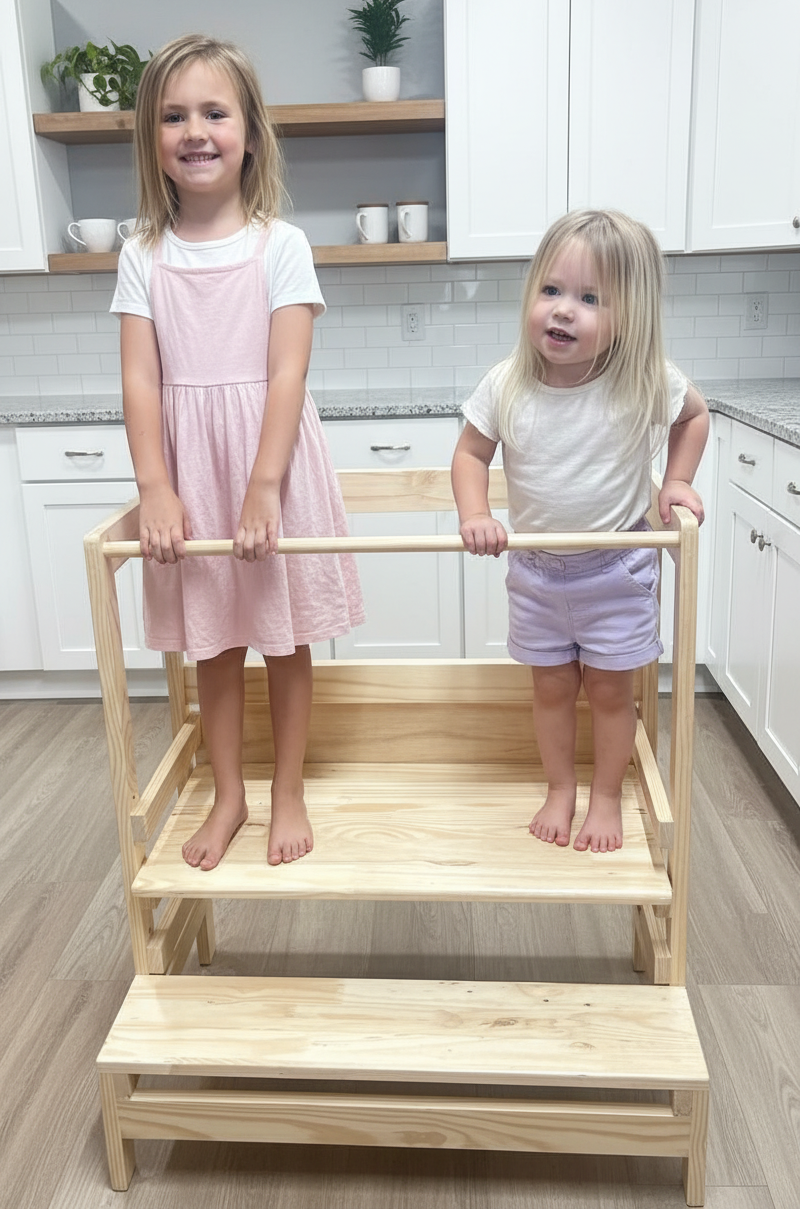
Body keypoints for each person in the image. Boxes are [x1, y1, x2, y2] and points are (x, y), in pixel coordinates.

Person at [112, 34, 364, 871]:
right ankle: (230, 794)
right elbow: (141, 382)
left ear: (250, 133)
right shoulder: (142, 255)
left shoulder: (279, 244)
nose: (196, 129)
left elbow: (287, 371)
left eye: (215, 112)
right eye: (174, 115)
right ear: (153, 139)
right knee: (213, 645)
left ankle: (287, 787)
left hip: (270, 467)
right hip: (190, 474)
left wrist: (264, 487)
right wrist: (155, 486)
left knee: (286, 641)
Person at [452, 209, 708, 854]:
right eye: (552, 291)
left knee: (610, 693)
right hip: (537, 574)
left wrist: (675, 483)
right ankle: (560, 787)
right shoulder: (506, 382)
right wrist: (475, 514)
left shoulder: (640, 379)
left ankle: (604, 796)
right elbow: (469, 455)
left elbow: (694, 416)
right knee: (551, 688)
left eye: (590, 299)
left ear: (630, 316)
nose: (563, 311)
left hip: (617, 569)